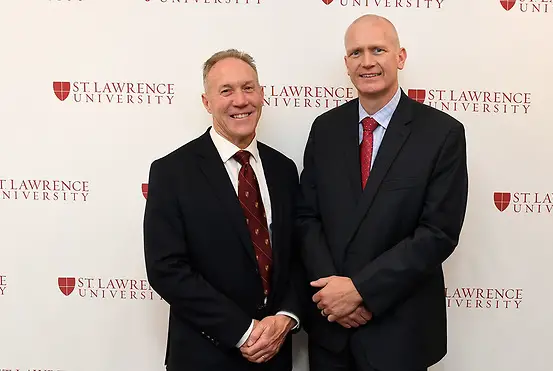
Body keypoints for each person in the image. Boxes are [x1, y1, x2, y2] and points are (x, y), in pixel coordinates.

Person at [296, 14, 469, 371]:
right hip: (332, 332)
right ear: (346, 64)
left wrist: (359, 291)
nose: (368, 61)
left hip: (400, 331)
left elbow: (438, 233)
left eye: (378, 49)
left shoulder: (442, 134)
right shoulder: (324, 129)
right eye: (356, 52)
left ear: (400, 57)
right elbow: (307, 217)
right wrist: (333, 297)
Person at [144, 49, 301, 371]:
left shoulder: (284, 169)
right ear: (207, 102)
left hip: (276, 354)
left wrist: (287, 317)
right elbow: (166, 268)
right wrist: (243, 332)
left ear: (261, 94)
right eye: (226, 91)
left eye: (248, 88)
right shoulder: (172, 172)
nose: (240, 100)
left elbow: (299, 256)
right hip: (204, 356)